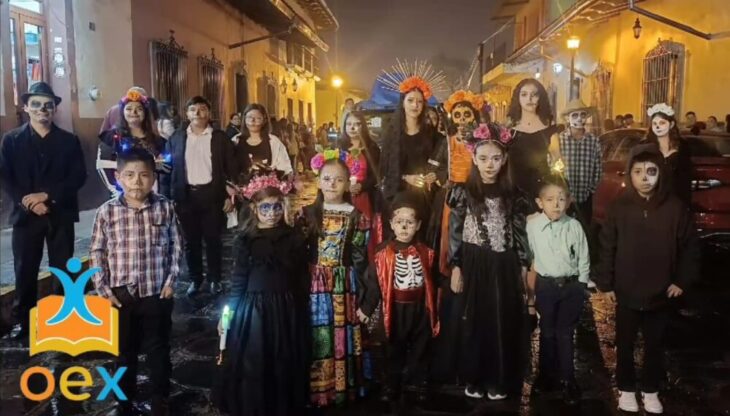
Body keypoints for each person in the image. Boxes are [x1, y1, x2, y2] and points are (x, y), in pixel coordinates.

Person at [595, 143, 700, 414]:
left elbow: (690, 246)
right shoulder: (619, 207)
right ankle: (627, 388)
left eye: (651, 171)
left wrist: (682, 280)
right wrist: (606, 282)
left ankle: (651, 389)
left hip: (661, 292)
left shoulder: (674, 208)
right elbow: (607, 245)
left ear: (660, 173)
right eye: (638, 172)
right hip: (627, 290)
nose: (645, 178)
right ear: (630, 174)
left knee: (655, 345)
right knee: (625, 343)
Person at [90, 148, 182, 416]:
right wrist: (103, 289)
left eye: (144, 175)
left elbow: (177, 245)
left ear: (153, 177)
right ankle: (123, 400)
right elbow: (97, 251)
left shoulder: (165, 207)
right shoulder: (107, 212)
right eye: (129, 175)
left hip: (157, 292)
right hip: (120, 296)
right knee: (123, 353)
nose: (137, 182)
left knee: (158, 350)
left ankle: (160, 398)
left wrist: (171, 280)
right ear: (118, 177)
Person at [448, 122, 531, 400]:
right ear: (473, 158)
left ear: (504, 159)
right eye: (483, 158)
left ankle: (498, 378)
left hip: (503, 264)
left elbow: (519, 232)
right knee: (474, 318)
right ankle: (475, 376)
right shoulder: (464, 192)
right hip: (474, 262)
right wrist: (456, 266)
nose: (489, 164)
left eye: (496, 158)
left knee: (500, 318)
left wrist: (523, 265)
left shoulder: (513, 194)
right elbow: (455, 231)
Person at [214, 175, 308, 416]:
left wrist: (302, 308)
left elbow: (301, 277)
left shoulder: (293, 237)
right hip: (255, 309)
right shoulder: (246, 240)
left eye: (277, 207)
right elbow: (238, 279)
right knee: (255, 356)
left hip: (286, 307)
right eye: (265, 207)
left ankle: (281, 405)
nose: (272, 213)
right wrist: (228, 314)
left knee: (282, 357)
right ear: (255, 209)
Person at [0, 82, 87, 340]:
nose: (42, 109)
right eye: (36, 104)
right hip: (25, 216)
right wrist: (29, 202)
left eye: (48, 105)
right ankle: (24, 321)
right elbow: (5, 177)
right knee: (25, 269)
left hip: (61, 213)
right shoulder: (11, 140)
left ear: (55, 109)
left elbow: (78, 176)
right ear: (26, 107)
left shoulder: (69, 141)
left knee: (63, 268)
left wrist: (47, 196)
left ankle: (64, 318)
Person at [298, 158, 370, 407]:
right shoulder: (307, 213)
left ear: (348, 184)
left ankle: (340, 387)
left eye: (339, 180)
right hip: (313, 283)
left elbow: (360, 259)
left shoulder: (357, 217)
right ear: (318, 182)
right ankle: (315, 388)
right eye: (327, 179)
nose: (332, 184)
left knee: (340, 332)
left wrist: (365, 296)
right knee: (316, 333)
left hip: (343, 285)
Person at [358, 196, 439, 404]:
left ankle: (419, 384)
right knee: (393, 347)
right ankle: (391, 384)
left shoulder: (427, 252)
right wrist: (366, 308)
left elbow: (434, 280)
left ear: (418, 225)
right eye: (399, 222)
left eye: (409, 222)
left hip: (420, 308)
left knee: (422, 347)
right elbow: (374, 282)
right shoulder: (382, 253)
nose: (404, 227)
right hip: (394, 308)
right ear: (391, 224)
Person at [159, 96, 238, 297]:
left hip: (212, 195)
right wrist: (167, 198)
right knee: (190, 242)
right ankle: (195, 279)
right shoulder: (176, 138)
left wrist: (229, 196)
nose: (197, 113)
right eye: (193, 109)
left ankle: (215, 279)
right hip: (185, 197)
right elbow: (167, 170)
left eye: (202, 109)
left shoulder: (219, 138)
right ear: (187, 114)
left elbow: (231, 168)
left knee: (213, 240)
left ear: (209, 113)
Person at [526, 177, 590, 405]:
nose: (556, 204)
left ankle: (568, 379)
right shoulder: (532, 226)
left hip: (571, 286)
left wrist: (582, 284)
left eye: (561, 199)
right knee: (547, 331)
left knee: (565, 333)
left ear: (569, 201)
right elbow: (529, 258)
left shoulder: (574, 226)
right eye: (550, 199)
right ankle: (545, 376)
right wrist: (529, 296)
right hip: (546, 286)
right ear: (539, 202)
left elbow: (583, 256)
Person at [380, 75, 443, 236]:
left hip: (424, 196)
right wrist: (406, 177)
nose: (415, 105)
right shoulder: (391, 133)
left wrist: (434, 175)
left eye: (419, 101)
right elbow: (385, 168)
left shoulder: (430, 133)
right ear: (403, 102)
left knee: (423, 237)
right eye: (410, 100)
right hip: (398, 194)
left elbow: (441, 159)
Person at [97, 89, 167, 198]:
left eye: (139, 109)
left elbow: (166, 168)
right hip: (120, 194)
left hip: (151, 194)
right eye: (129, 109)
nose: (133, 112)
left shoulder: (157, 141)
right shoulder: (111, 137)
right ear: (122, 112)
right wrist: (118, 191)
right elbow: (103, 166)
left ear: (145, 112)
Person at [507, 78, 561, 203]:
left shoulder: (549, 129)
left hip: (541, 192)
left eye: (534, 94)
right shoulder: (509, 130)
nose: (529, 99)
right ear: (518, 98)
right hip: (513, 191)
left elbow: (557, 160)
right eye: (524, 94)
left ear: (540, 98)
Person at [337, 111, 382, 260]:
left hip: (365, 197)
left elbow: (377, 174)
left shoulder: (371, 147)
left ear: (363, 126)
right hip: (343, 196)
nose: (353, 128)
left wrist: (361, 186)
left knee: (363, 237)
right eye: (349, 124)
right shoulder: (339, 147)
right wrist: (344, 186)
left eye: (357, 124)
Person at [559, 99, 602, 227]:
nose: (579, 118)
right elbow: (552, 166)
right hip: (563, 199)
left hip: (585, 198)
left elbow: (598, 168)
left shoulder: (593, 141)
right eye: (575, 115)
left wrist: (591, 190)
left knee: (584, 232)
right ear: (567, 118)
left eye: (582, 115)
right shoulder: (560, 140)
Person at [642, 103, 693, 207]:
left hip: (675, 202)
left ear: (671, 124)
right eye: (654, 123)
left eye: (662, 123)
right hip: (651, 202)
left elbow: (686, 177)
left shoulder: (682, 145)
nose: (658, 126)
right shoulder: (644, 146)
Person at [235, 104, 293, 182]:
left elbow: (285, 167)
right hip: (241, 187)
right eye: (249, 117)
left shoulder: (274, 142)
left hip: (268, 187)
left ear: (264, 120)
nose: (253, 121)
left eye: (258, 118)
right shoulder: (235, 141)